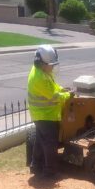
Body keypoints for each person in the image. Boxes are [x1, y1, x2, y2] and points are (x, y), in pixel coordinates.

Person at [27, 45, 74, 178]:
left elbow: (51, 87)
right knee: (50, 143)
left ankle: (35, 166)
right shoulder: (39, 78)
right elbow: (54, 97)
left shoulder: (41, 72)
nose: (52, 67)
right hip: (45, 115)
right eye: (50, 65)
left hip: (41, 114)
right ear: (41, 63)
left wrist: (61, 89)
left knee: (40, 141)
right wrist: (68, 95)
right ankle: (50, 171)